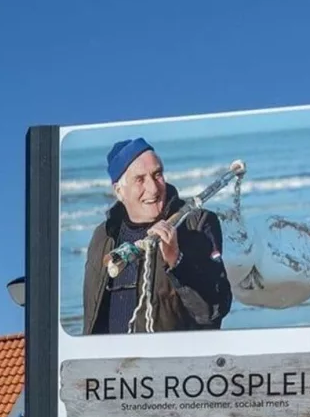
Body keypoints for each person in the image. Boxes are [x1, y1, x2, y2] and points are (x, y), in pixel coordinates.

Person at [82, 138, 232, 334]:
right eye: (140, 179)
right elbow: (92, 317)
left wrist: (176, 262)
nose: (153, 189)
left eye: (157, 174)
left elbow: (213, 311)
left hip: (172, 361)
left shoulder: (197, 223)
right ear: (119, 191)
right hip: (113, 362)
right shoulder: (104, 235)